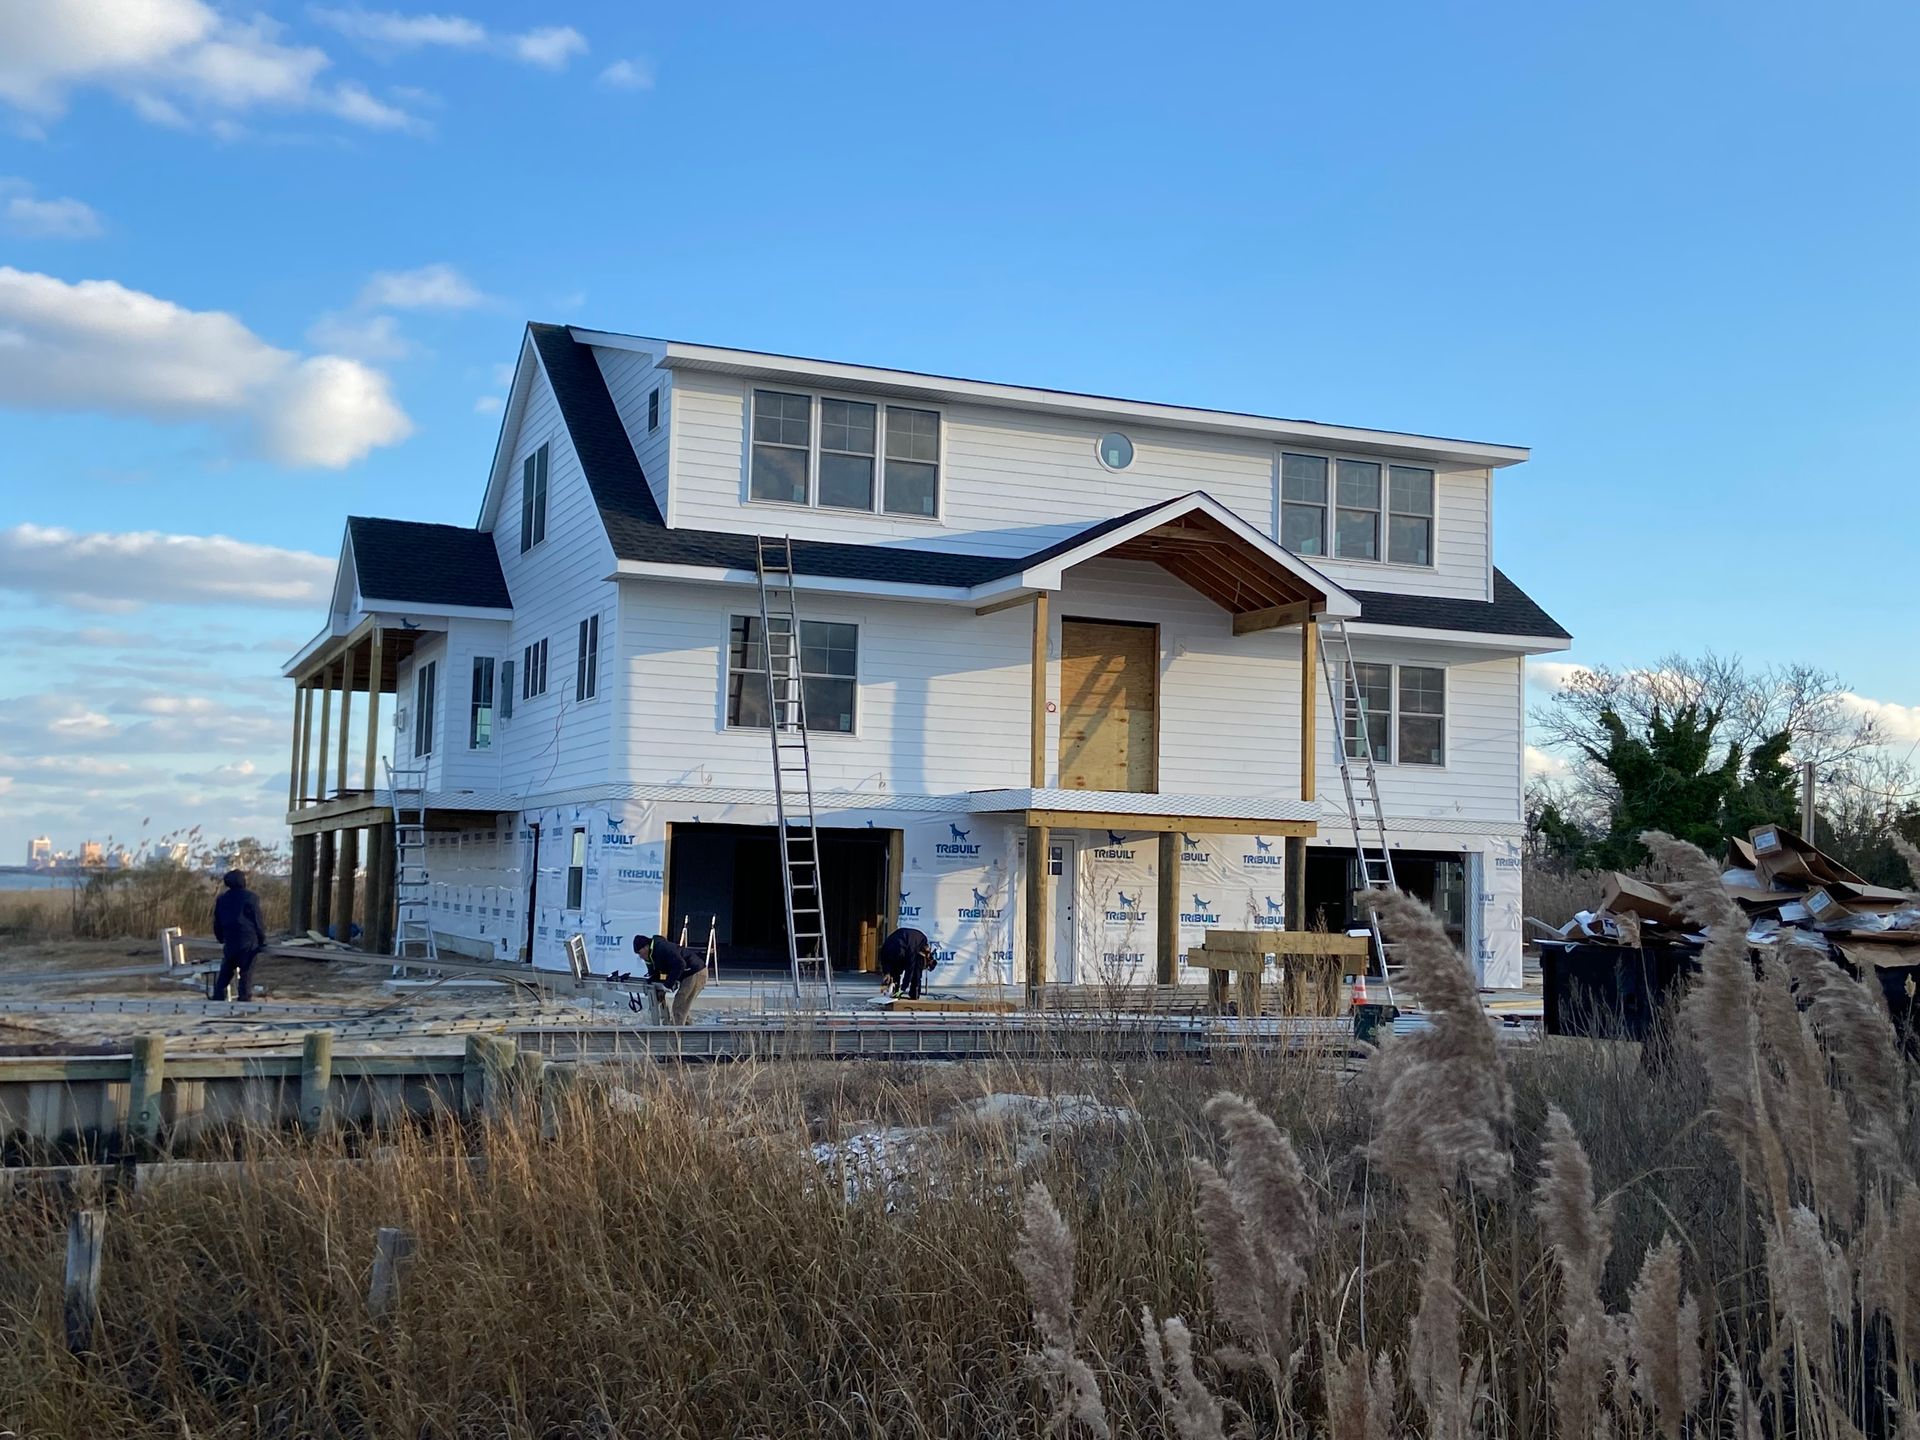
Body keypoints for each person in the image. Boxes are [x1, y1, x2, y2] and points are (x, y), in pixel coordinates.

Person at [211, 869, 267, 1002]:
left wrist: (220, 938)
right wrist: (262, 939)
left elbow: (217, 921)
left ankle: (218, 996)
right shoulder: (251, 897)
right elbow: (257, 920)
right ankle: (244, 998)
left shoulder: (222, 899)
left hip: (230, 938)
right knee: (246, 972)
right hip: (248, 938)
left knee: (227, 969)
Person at [632, 932, 708, 1024]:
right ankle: (687, 1032)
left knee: (679, 1006)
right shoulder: (650, 956)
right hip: (687, 973)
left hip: (695, 972)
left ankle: (675, 1034)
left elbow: (680, 964)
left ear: (646, 947)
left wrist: (668, 984)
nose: (640, 956)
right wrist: (658, 987)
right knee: (683, 1008)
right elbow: (655, 974)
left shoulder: (662, 948)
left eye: (640, 953)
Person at [878, 926, 931, 1000]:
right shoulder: (886, 949)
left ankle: (914, 994)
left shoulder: (911, 951)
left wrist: (903, 989)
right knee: (894, 972)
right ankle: (895, 992)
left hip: (918, 941)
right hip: (901, 941)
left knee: (916, 972)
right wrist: (887, 973)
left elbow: (910, 971)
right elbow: (884, 961)